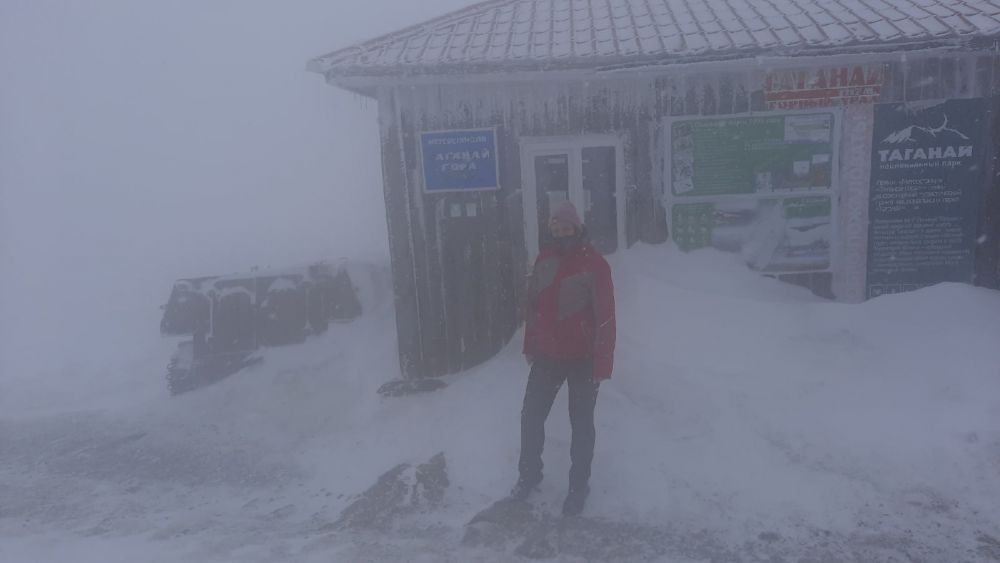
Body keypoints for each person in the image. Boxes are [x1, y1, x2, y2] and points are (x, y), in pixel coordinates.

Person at [510, 200, 616, 516]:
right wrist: (530, 345)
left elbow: (606, 318)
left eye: (566, 226)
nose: (560, 231)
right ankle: (529, 475)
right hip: (547, 357)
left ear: (577, 227)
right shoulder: (544, 260)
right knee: (530, 417)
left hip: (583, 360)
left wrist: (602, 363)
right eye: (555, 227)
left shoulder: (595, 265)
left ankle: (578, 487)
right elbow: (534, 308)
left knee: (581, 426)